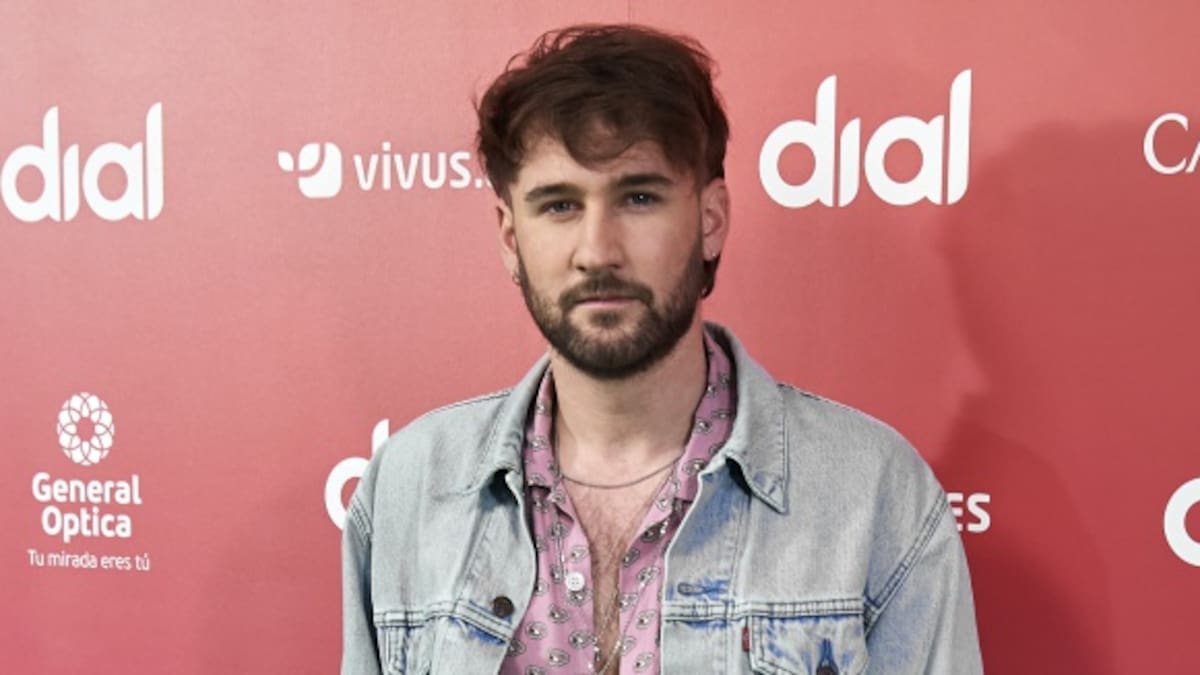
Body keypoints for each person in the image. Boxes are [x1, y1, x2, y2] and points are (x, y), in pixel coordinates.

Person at [342, 24, 982, 675]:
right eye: (559, 205)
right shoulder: (409, 488)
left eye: (639, 198)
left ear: (710, 219)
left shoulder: (871, 493)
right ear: (511, 238)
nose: (598, 251)